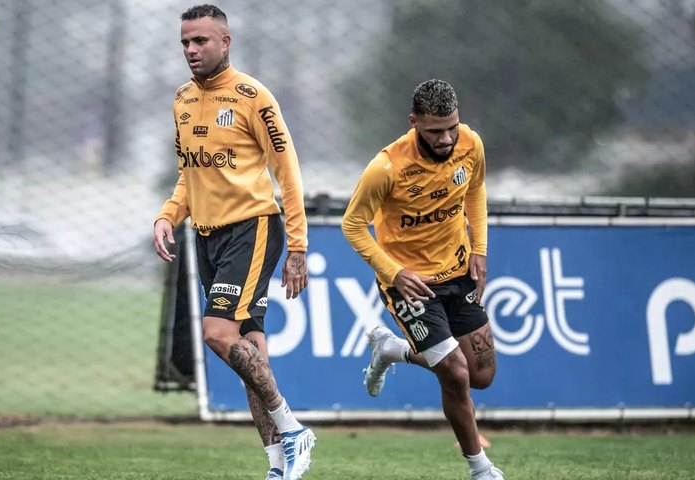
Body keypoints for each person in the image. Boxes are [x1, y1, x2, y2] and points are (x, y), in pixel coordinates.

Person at [152, 5, 315, 480]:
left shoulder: (253, 97)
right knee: (251, 350)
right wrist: (168, 215)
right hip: (206, 238)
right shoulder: (182, 99)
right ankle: (278, 464)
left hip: (252, 227)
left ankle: (293, 427)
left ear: (225, 42)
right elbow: (189, 173)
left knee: (217, 333)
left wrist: (298, 247)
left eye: (200, 41)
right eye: (185, 42)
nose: (191, 50)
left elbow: (288, 173)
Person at [341, 79, 504, 480]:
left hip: (458, 271)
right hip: (409, 284)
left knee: (481, 376)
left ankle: (391, 349)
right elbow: (353, 225)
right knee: (456, 373)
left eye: (452, 127)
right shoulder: (386, 168)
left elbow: (476, 191)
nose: (447, 138)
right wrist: (393, 272)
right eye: (435, 131)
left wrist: (479, 249)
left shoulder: (471, 144)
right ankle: (480, 469)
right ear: (414, 122)